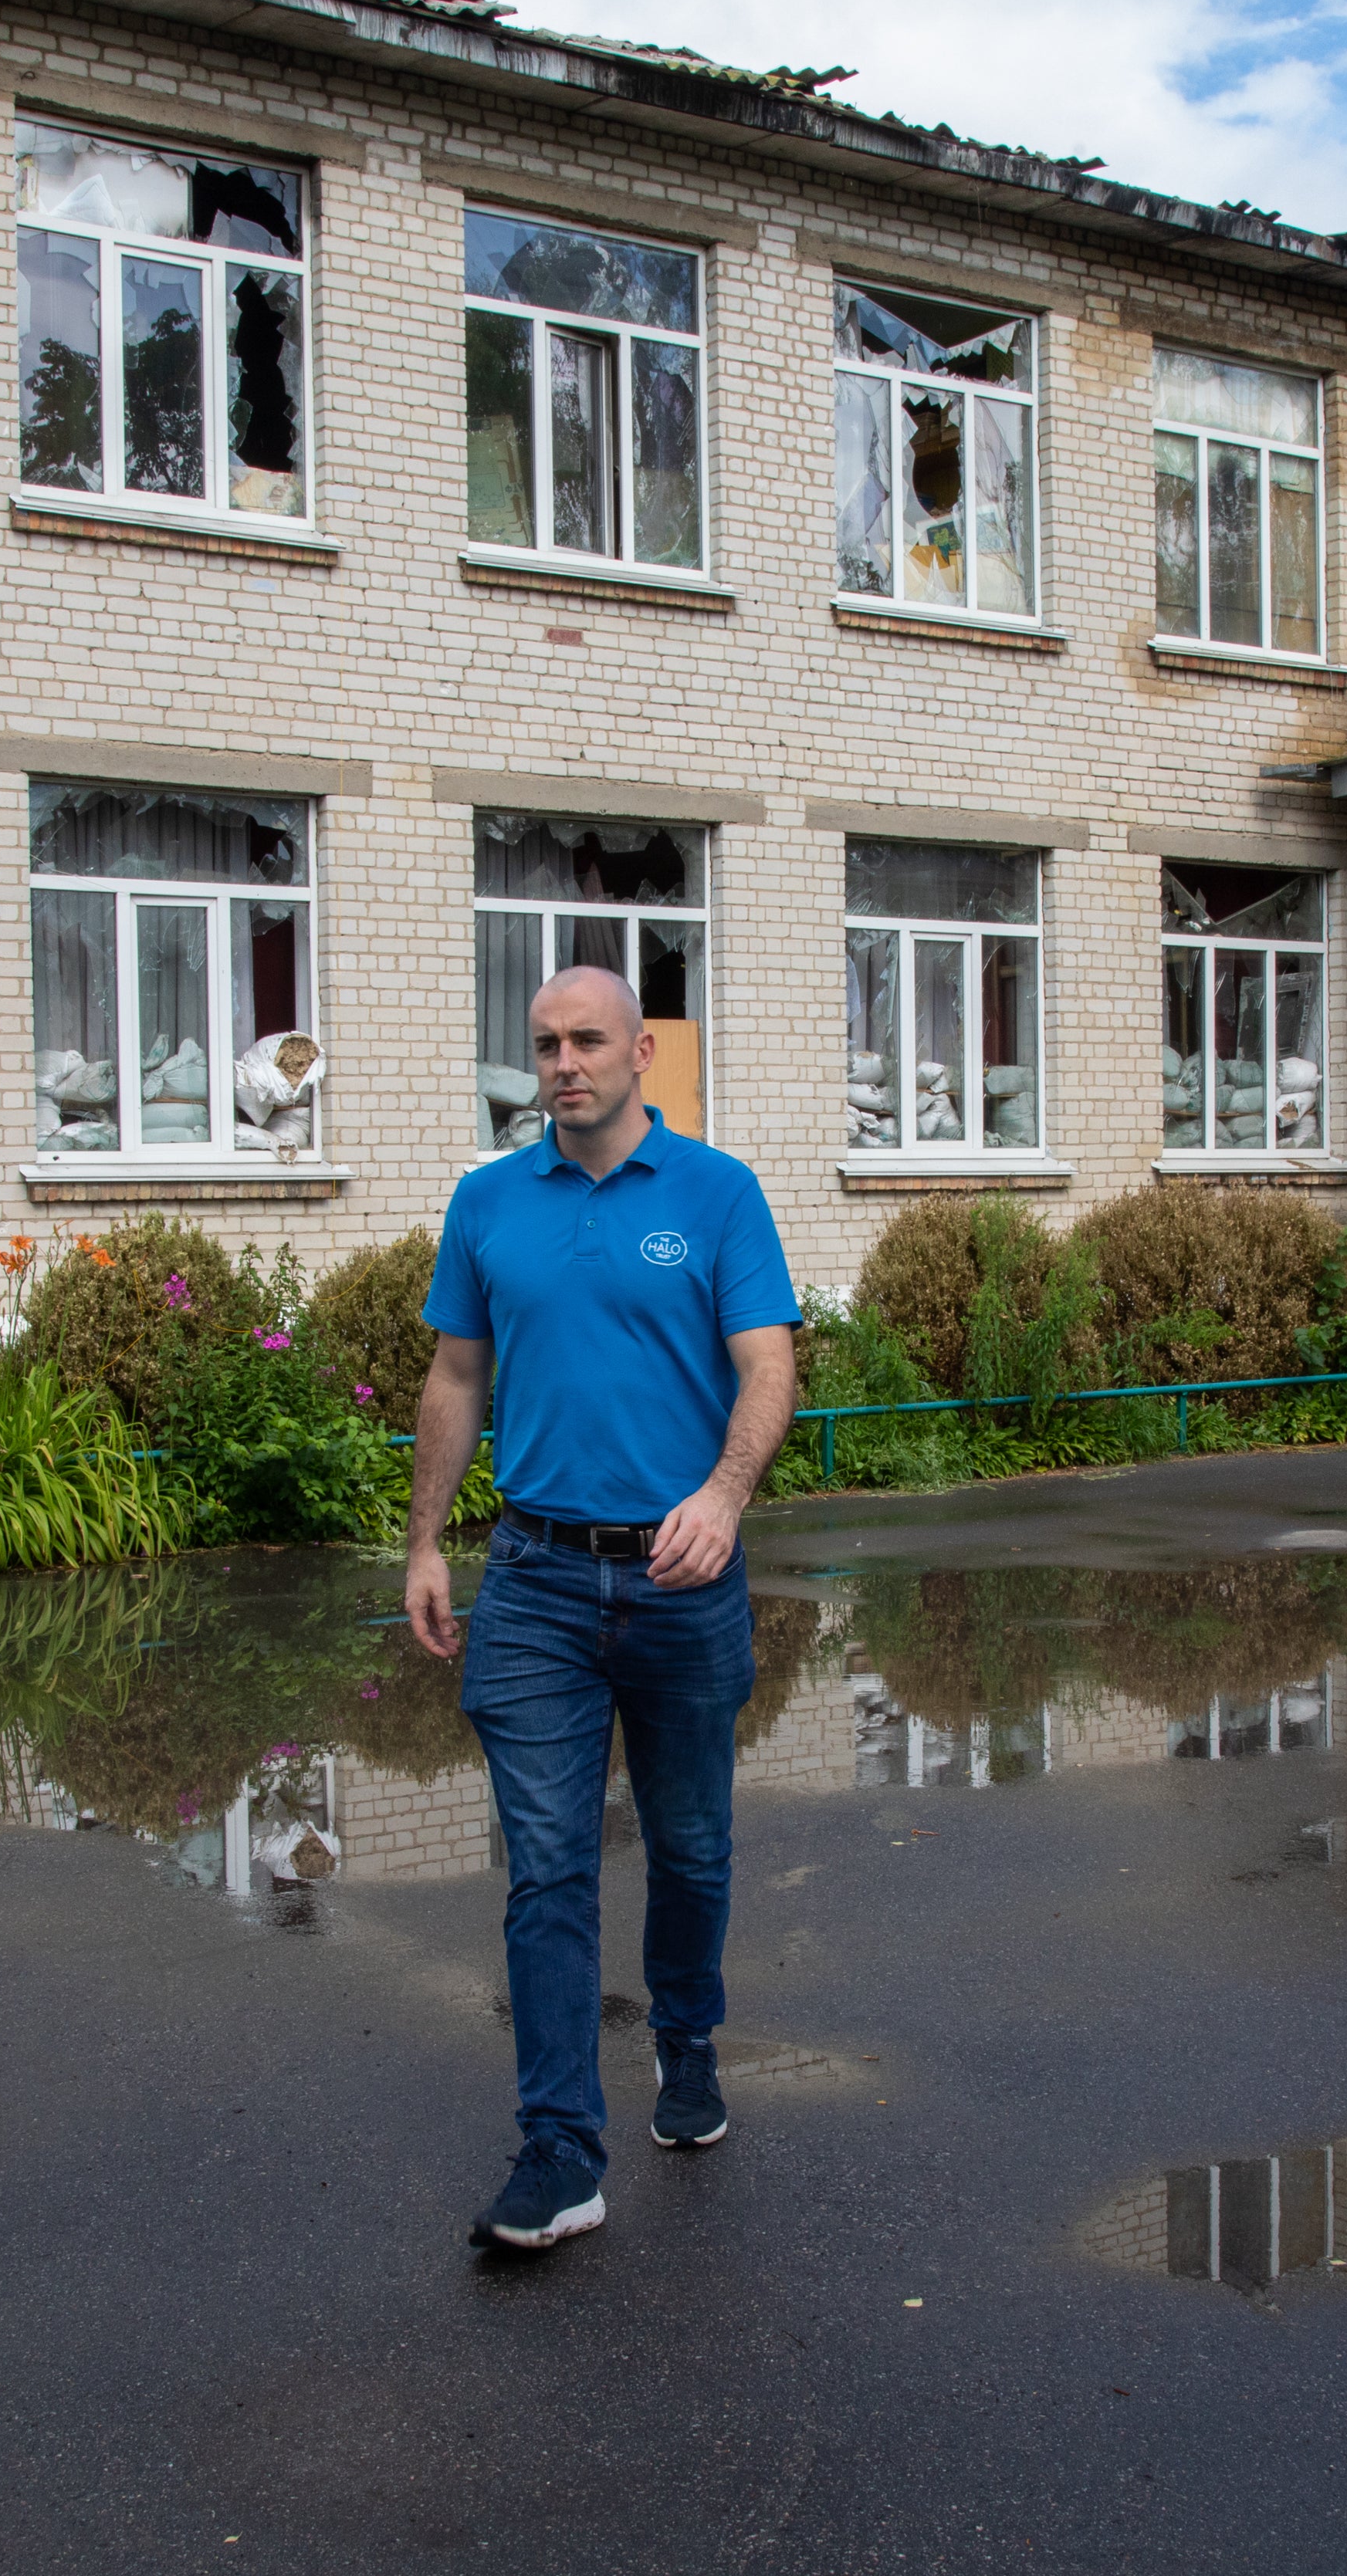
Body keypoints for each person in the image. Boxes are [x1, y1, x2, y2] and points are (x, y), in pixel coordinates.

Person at [408, 965, 798, 2254]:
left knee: (689, 1848)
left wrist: (726, 1495)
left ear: (642, 1051)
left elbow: (767, 1363)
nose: (564, 1063)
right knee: (548, 1871)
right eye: (544, 1045)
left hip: (683, 1578)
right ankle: (561, 2151)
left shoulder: (717, 1193)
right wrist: (424, 1545)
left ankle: (686, 2042)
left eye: (588, 1041)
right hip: (533, 1581)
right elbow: (458, 1376)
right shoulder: (487, 1201)